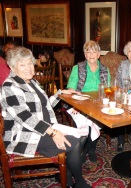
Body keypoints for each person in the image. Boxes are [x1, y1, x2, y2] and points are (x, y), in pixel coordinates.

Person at [0, 46, 91, 188]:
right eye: (22, 64)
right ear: (11, 67)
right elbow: (25, 117)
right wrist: (53, 132)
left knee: (83, 134)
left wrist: (61, 93)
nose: (28, 68)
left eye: (30, 63)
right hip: (24, 134)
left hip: (43, 127)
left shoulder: (32, 82)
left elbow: (44, 106)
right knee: (74, 142)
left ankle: (64, 174)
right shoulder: (10, 87)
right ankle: (78, 182)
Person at [67, 40, 111, 162]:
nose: (91, 55)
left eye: (94, 51)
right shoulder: (78, 68)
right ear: (85, 55)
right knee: (84, 126)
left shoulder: (104, 69)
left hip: (98, 103)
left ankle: (90, 149)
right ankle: (83, 149)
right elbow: (71, 88)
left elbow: (108, 89)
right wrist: (75, 105)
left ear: (99, 54)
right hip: (80, 103)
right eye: (88, 52)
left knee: (97, 122)